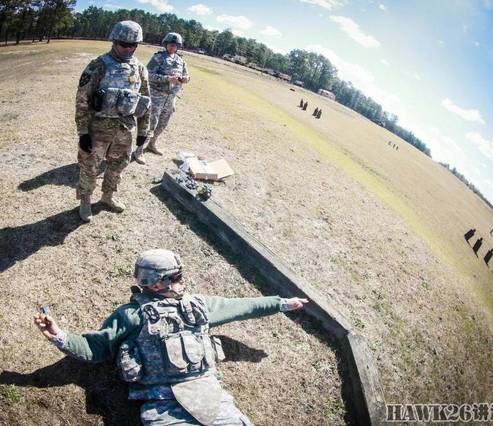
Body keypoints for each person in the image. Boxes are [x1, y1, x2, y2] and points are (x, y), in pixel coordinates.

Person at [34, 249, 309, 425]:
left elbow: (239, 306)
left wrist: (281, 303)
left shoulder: (199, 305)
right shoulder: (131, 315)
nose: (183, 281)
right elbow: (96, 347)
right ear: (156, 283)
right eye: (177, 276)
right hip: (164, 408)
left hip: (213, 399)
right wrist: (58, 335)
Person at [74, 20, 151, 221]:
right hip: (97, 130)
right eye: (123, 44)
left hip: (124, 130)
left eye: (132, 45)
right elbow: (82, 100)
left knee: (118, 166)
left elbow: (145, 101)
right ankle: (85, 201)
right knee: (90, 167)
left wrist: (143, 131)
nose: (127, 48)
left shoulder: (140, 69)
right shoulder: (98, 65)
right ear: (113, 41)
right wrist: (83, 133)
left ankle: (107, 197)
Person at [133, 32, 189, 164]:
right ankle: (139, 150)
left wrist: (185, 79)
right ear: (165, 44)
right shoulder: (158, 58)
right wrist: (167, 79)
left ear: (178, 47)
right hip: (156, 96)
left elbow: (187, 75)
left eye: (175, 45)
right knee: (150, 124)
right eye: (170, 44)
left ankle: (152, 144)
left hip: (171, 98)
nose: (172, 47)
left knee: (163, 123)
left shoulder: (180, 61)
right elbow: (148, 75)